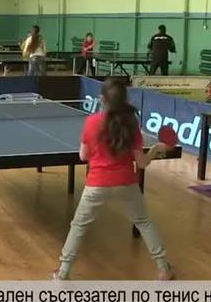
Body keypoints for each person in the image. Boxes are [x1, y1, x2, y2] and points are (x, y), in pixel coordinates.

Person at [53, 77, 174, 281]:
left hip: (97, 184)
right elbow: (141, 163)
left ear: (102, 99)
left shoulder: (91, 122)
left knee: (79, 226)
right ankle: (163, 269)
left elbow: (83, 156)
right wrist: (155, 149)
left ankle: (63, 273)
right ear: (124, 100)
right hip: (126, 182)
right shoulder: (132, 124)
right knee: (143, 222)